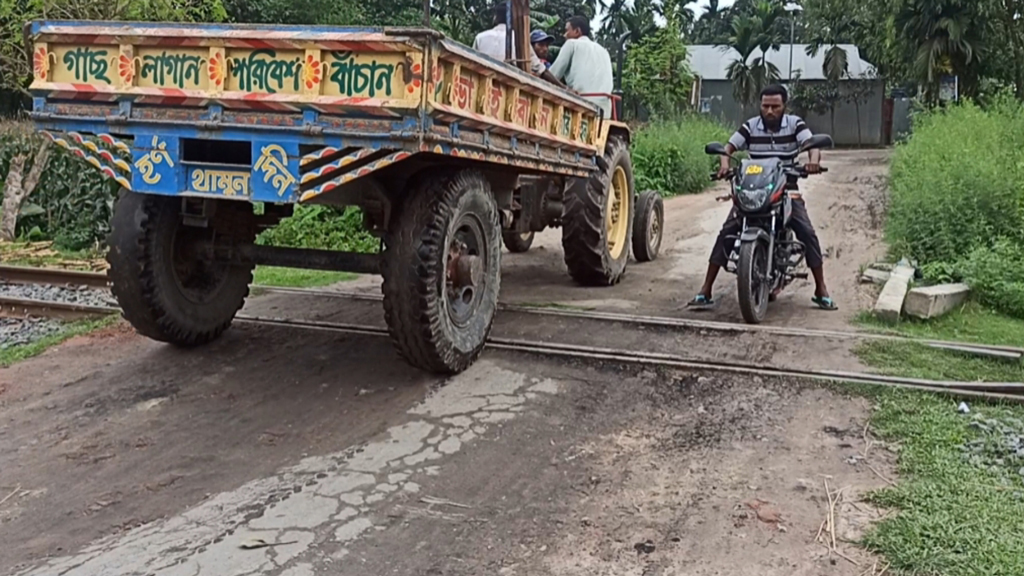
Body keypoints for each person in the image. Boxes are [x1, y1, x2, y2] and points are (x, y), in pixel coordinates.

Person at [687, 84, 837, 312]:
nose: (769, 111)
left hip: (786, 189)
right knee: (727, 232)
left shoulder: (795, 124)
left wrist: (813, 161)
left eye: (775, 107)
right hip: (754, 189)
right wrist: (724, 164)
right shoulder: (751, 126)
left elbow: (811, 146)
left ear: (784, 106)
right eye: (765, 106)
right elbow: (728, 148)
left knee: (807, 232)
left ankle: (821, 289)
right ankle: (705, 290)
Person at [473, 3, 562, 86]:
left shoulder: (480, 37)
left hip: (484, 84)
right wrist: (563, 87)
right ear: (514, 18)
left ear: (495, 18)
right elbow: (541, 70)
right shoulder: (519, 40)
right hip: (509, 86)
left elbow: (473, 63)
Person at [547, 15, 614, 117]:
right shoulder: (604, 51)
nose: (564, 35)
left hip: (581, 105)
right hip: (605, 110)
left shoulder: (571, 44)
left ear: (577, 31)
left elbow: (552, 75)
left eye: (567, 30)